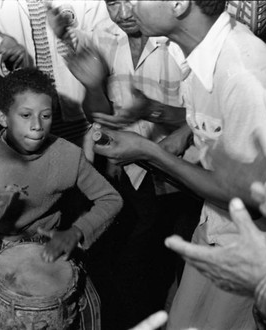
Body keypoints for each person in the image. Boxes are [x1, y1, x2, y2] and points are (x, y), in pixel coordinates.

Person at [92, 0, 266, 329]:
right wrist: (153, 111)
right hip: (217, 222)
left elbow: (247, 200)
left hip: (259, 243)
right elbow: (211, 121)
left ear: (178, 4)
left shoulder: (243, 72)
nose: (127, 5)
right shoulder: (203, 51)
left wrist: (149, 152)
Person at [0, 68, 123, 330]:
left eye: (46, 115)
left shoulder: (68, 155)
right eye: (26, 115)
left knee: (91, 307)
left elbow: (111, 199)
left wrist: (77, 232)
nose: (37, 126)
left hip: (46, 241)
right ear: (3, 117)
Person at [63, 1, 201, 327]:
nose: (124, 13)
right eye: (114, 3)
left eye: (132, 2)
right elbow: (99, 111)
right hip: (129, 171)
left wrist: (154, 112)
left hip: (180, 179)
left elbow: (204, 117)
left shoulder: (177, 42)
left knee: (168, 268)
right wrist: (93, 86)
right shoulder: (105, 38)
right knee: (126, 270)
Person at [165, 179, 266, 330]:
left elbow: (252, 200)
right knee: (181, 321)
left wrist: (155, 156)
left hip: (246, 256)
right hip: (211, 230)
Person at [0, 0, 110, 146]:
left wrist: (68, 36)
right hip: (34, 121)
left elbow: (106, 41)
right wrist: (9, 58)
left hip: (84, 115)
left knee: (84, 161)